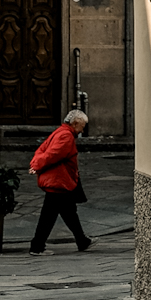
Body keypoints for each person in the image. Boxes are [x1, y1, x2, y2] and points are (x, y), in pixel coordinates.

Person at [28, 109, 92, 254]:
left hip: (59, 181)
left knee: (69, 212)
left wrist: (35, 163)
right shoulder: (66, 136)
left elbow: (42, 150)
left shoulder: (59, 132)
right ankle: (37, 247)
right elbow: (53, 155)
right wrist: (36, 166)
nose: (83, 129)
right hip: (59, 181)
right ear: (75, 123)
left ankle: (82, 240)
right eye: (83, 125)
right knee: (49, 217)